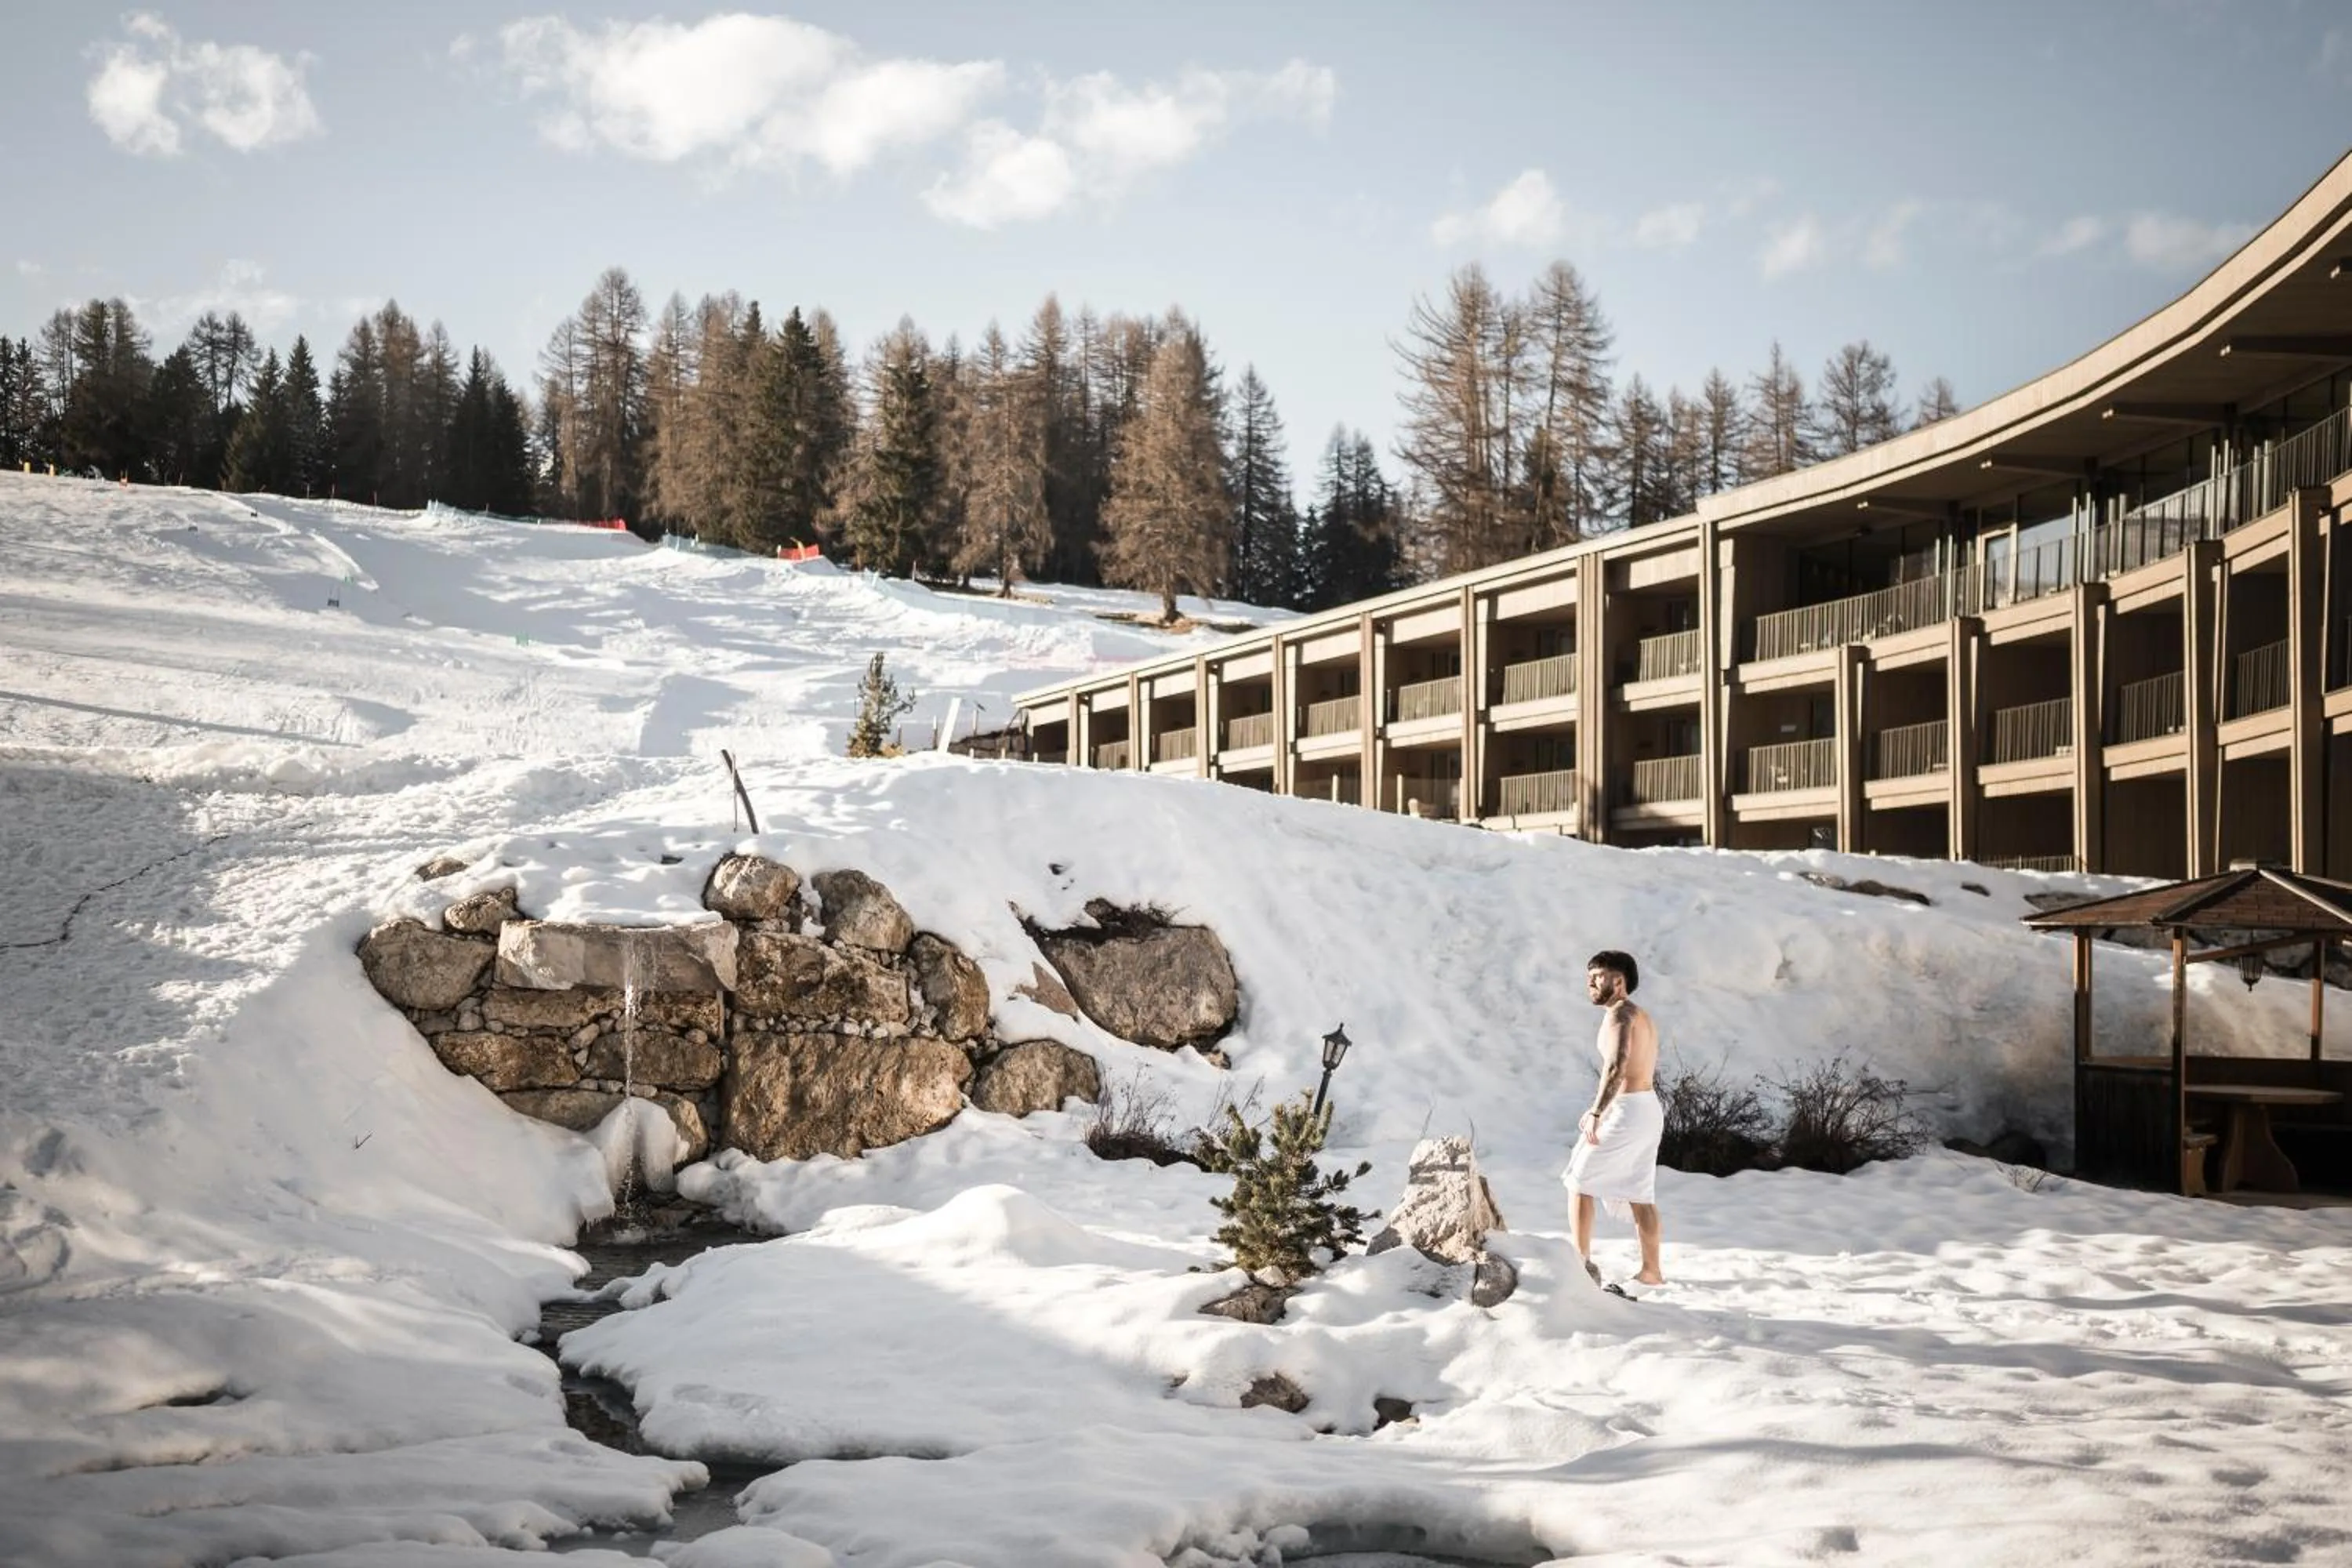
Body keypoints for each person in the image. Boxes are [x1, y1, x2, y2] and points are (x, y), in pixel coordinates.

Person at [1565, 949, 1664, 1288]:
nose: (1590, 982)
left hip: (1629, 1110)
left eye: (1599, 976)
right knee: (1639, 1192)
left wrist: (1597, 1111)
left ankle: (1579, 1262)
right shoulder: (1642, 1015)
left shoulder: (1620, 1015)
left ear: (1619, 981)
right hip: (1647, 1107)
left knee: (1579, 1181)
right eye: (1588, 976)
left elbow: (1617, 1065)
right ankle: (1652, 1271)